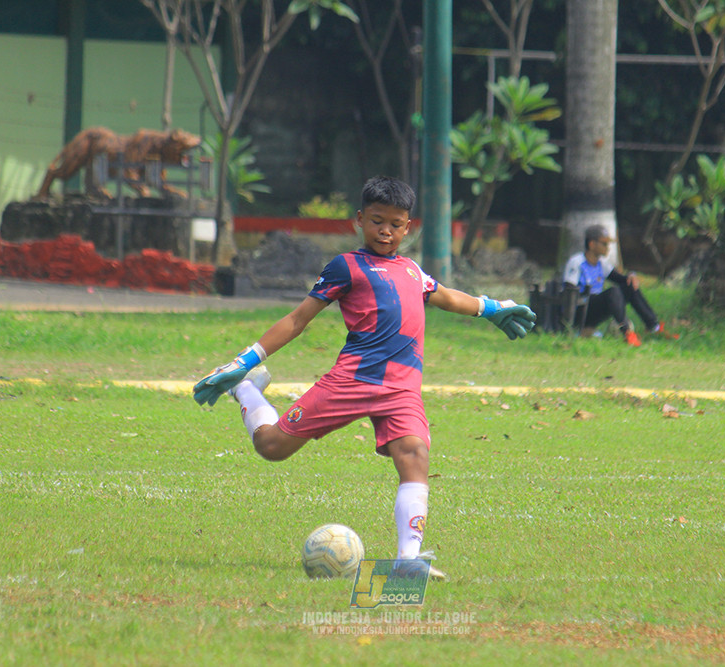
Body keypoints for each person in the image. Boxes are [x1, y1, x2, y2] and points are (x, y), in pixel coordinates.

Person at [192, 176, 536, 580]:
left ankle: (408, 560)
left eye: (395, 223)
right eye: (377, 221)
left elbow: (446, 296)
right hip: (351, 382)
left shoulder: (412, 271)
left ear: (408, 227)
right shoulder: (346, 267)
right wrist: (245, 361)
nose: (386, 231)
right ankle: (246, 391)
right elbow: (297, 319)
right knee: (271, 446)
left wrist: (493, 308)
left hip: (402, 389)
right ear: (359, 219)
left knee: (415, 456)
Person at [561, 224, 677, 346]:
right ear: (592, 244)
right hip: (579, 310)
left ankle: (654, 326)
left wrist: (630, 276)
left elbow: (621, 279)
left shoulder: (602, 263)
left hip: (594, 308)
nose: (608, 248)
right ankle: (626, 332)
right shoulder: (577, 263)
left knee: (629, 285)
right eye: (604, 244)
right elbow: (569, 291)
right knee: (613, 292)